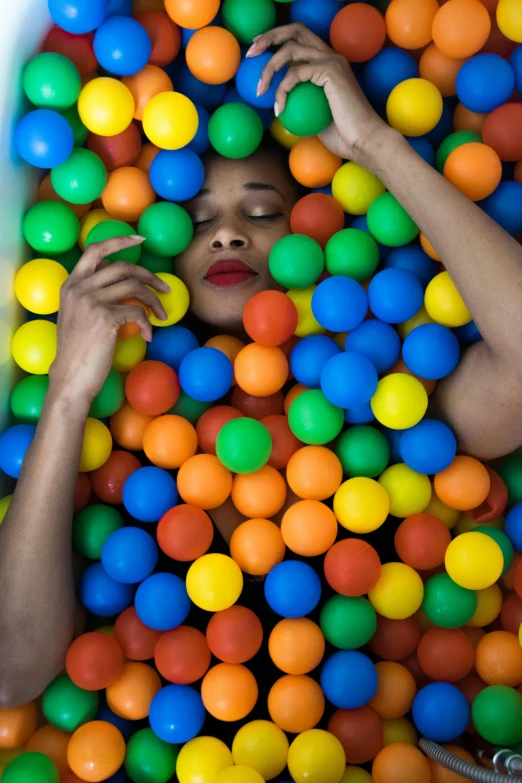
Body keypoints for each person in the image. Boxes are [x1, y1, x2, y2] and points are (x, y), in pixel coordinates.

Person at [1, 22, 521, 708]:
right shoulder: (117, 435)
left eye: (263, 210)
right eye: (194, 216)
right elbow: (12, 669)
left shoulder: (384, 396)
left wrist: (376, 147)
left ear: (313, 229)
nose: (227, 231)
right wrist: (68, 392)